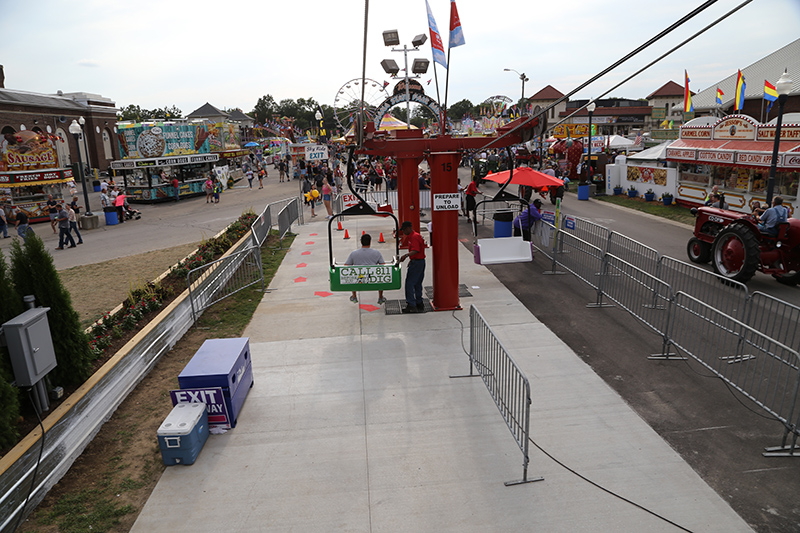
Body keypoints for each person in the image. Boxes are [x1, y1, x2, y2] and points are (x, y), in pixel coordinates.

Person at [344, 233, 387, 304]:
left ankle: (354, 296)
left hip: (359, 280)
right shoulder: (377, 253)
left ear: (361, 242)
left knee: (352, 275)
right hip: (373, 279)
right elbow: (383, 266)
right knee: (380, 276)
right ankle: (380, 297)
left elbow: (346, 266)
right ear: (370, 242)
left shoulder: (354, 253)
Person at [399, 221, 426, 313]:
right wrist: (411, 259)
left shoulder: (414, 237)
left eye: (403, 230)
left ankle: (411, 304)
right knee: (417, 283)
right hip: (419, 262)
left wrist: (406, 256)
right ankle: (419, 303)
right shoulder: (414, 236)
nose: (403, 232)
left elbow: (416, 250)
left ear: (408, 228)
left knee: (409, 283)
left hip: (417, 263)